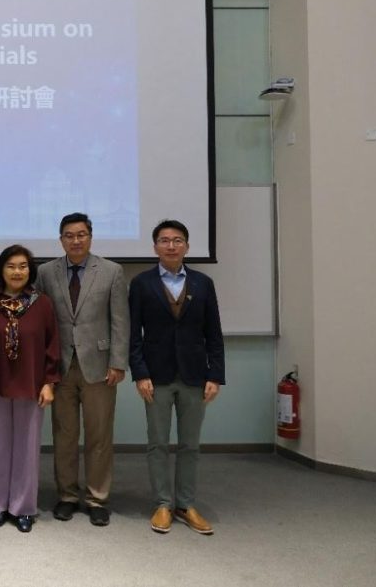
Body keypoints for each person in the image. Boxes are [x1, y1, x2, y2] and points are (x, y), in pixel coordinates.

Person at [129, 220, 224, 535]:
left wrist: (215, 375)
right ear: (155, 246)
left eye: (177, 240)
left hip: (195, 375)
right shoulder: (141, 284)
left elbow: (214, 333)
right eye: (164, 240)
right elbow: (134, 335)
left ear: (187, 246)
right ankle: (162, 503)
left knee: (190, 445)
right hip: (156, 377)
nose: (171, 246)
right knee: (157, 443)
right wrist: (140, 373)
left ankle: (185, 504)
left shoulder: (203, 283)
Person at [36, 213, 128, 526]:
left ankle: (96, 498)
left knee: (99, 436)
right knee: (64, 435)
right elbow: (40, 320)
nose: (75, 240)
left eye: (81, 235)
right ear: (60, 239)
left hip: (100, 367)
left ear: (90, 236)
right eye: (69, 235)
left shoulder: (112, 271)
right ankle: (67, 496)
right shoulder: (45, 272)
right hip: (59, 366)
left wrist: (118, 361)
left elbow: (120, 320)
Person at [0, 244, 60, 533]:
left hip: (32, 383)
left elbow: (52, 345)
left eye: (23, 266)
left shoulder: (42, 304)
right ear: (1, 270)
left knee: (27, 447)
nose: (17, 271)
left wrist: (49, 383)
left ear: (30, 270)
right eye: (11, 266)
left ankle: (23, 507)